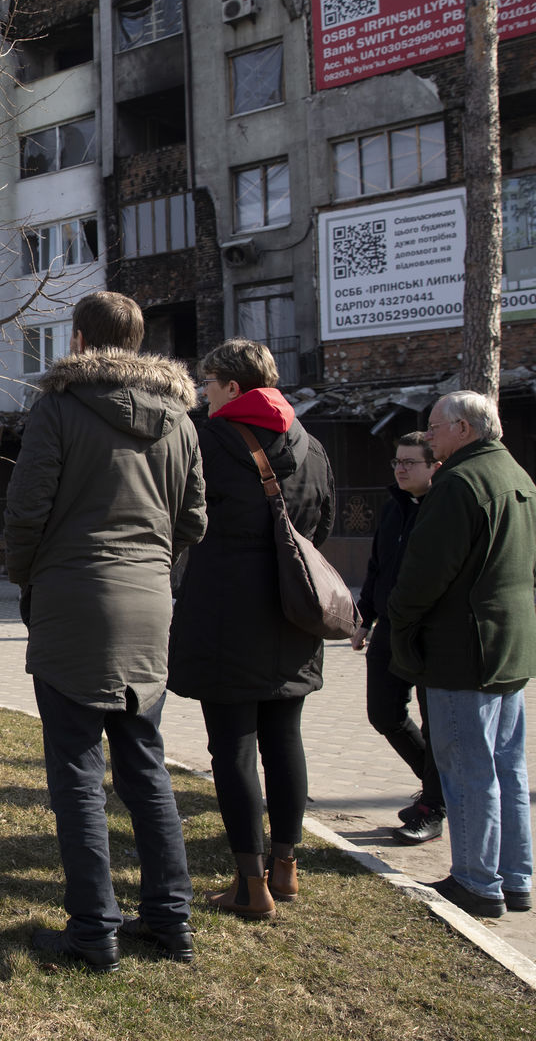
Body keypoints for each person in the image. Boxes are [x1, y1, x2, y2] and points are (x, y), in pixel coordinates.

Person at [5, 291, 207, 972]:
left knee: (77, 771)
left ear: (81, 338)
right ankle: (170, 921)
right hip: (150, 604)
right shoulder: (180, 420)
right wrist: (155, 566)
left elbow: (27, 509)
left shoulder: (60, 407)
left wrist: (29, 578)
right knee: (145, 765)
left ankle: (94, 932)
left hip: (72, 598)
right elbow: (195, 519)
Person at [169, 338, 335, 920]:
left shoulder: (206, 440)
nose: (201, 395)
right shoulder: (310, 445)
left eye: (207, 385)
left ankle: (249, 883)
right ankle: (285, 869)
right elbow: (323, 525)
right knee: (285, 739)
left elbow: (181, 518)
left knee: (233, 747)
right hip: (292, 615)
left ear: (232, 388)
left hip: (224, 616)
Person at [388, 391, 536, 919]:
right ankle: (514, 877)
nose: (428, 436)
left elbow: (422, 575)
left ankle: (477, 882)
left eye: (434, 427)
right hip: (511, 647)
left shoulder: (458, 484)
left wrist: (401, 622)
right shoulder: (519, 478)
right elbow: (534, 571)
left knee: (468, 770)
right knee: (507, 767)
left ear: (463, 428)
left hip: (463, 651)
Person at [352, 431, 446, 845]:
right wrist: (365, 617)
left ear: (434, 467)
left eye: (411, 462)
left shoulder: (443, 508)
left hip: (430, 632)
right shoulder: (394, 508)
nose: (402, 469)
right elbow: (377, 567)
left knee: (436, 721)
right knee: (384, 713)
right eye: (397, 462)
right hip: (389, 628)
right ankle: (442, 789)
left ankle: (435, 806)